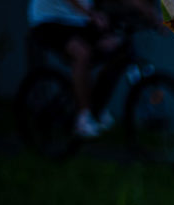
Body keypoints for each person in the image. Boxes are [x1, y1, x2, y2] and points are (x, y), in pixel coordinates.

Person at [27, 0, 159, 138]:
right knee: (82, 53)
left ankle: (97, 106)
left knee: (118, 49)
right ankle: (83, 118)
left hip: (79, 21)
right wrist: (90, 14)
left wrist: (151, 16)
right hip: (49, 20)